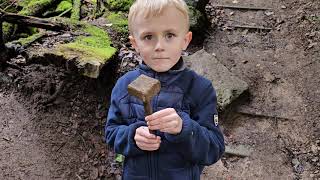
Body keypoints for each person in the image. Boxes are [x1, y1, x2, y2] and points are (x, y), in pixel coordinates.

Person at [105, 0, 225, 179]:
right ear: (135, 43)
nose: (159, 46)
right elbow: (111, 133)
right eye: (148, 37)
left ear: (185, 40)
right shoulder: (124, 85)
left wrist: (184, 128)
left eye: (169, 35)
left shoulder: (200, 89)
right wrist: (132, 136)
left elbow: (214, 147)